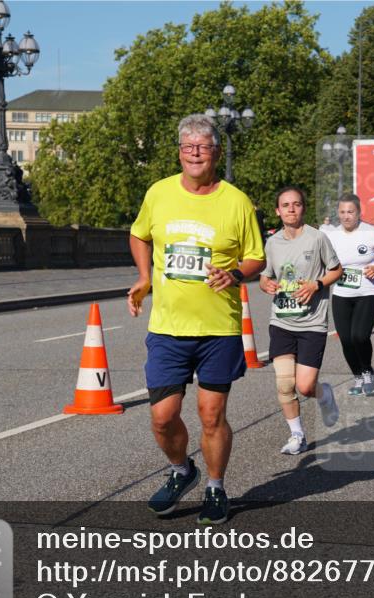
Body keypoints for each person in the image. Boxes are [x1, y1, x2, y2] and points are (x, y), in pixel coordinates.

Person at [128, 114, 266, 525]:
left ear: (215, 153)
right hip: (168, 328)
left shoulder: (236, 201)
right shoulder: (159, 193)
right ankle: (181, 470)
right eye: (188, 147)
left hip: (218, 329)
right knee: (162, 416)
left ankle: (216, 487)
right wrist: (144, 277)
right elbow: (139, 234)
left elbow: (256, 257)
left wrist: (235, 274)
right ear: (179, 153)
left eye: (202, 147)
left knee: (211, 414)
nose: (194, 153)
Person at [259, 186, 343, 455]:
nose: (291, 209)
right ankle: (297, 435)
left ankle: (324, 394)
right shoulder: (272, 242)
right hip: (281, 321)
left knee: (305, 386)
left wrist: (316, 284)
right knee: (285, 384)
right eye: (285, 205)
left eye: (296, 204)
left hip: (312, 322)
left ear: (303, 208)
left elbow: (337, 270)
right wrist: (266, 284)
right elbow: (265, 275)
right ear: (277, 211)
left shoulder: (317, 238)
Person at [322, 193, 374, 395]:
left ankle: (368, 371)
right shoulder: (332, 235)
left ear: (359, 212)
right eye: (342, 212)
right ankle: (358, 377)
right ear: (338, 213)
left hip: (367, 291)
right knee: (346, 339)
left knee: (360, 336)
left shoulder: (372, 233)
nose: (346, 216)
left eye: (350, 212)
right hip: (342, 292)